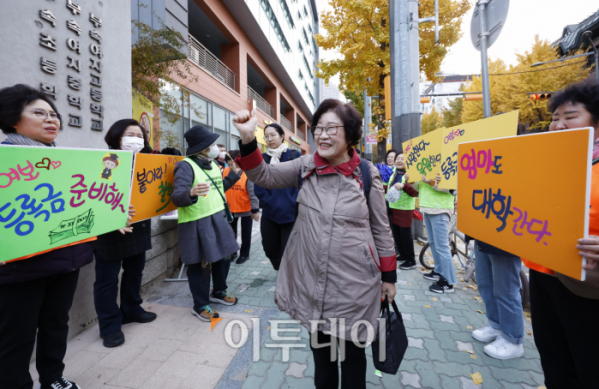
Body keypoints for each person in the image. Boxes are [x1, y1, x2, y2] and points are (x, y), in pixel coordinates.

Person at [233, 99, 397, 389]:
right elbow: (265, 176)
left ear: (350, 134)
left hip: (355, 285)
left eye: (331, 128)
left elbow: (382, 230)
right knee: (322, 358)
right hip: (313, 281)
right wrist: (248, 137)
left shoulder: (367, 175)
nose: (322, 135)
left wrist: (389, 277)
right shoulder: (305, 166)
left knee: (352, 359)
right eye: (318, 128)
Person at [0, 84, 94, 389]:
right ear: (13, 119)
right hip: (20, 267)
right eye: (38, 113)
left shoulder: (68, 161)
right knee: (17, 334)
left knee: (56, 324)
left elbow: (86, 203)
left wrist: (114, 215)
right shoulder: (6, 160)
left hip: (65, 259)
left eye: (53, 114)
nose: (51, 119)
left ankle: (53, 379)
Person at [525, 80, 599, 388]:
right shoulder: (547, 162)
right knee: (555, 362)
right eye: (555, 118)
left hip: (587, 287)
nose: (558, 125)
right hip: (543, 274)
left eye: (570, 116)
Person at [92, 119, 157, 349]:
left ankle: (131, 309)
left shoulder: (146, 162)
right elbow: (95, 194)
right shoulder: (107, 162)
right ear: (117, 137)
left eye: (140, 135)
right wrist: (112, 214)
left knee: (134, 272)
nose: (137, 139)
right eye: (131, 134)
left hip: (138, 225)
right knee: (107, 280)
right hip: (110, 230)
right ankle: (109, 325)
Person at [172, 125, 240, 321]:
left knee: (224, 257)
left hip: (217, 217)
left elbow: (217, 189)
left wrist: (233, 175)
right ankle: (200, 304)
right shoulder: (185, 166)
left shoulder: (212, 165)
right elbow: (177, 196)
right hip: (197, 221)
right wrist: (191, 192)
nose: (216, 147)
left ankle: (219, 291)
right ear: (201, 148)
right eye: (211, 144)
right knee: (201, 263)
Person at [253, 123, 302, 271]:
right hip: (270, 212)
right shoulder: (262, 159)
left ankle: (287, 275)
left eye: (273, 135)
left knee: (291, 248)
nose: (269, 139)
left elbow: (301, 182)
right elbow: (258, 184)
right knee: (270, 248)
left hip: (291, 212)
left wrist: (293, 202)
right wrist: (268, 202)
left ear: (282, 136)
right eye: (266, 136)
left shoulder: (294, 156)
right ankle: (279, 269)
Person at [471, 242, 524, 359]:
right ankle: (496, 325)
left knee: (506, 289)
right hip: (483, 231)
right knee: (485, 282)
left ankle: (513, 339)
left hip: (506, 236)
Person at [420, 172, 457, 293]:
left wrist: (432, 182)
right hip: (427, 207)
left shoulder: (448, 161)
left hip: (440, 209)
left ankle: (448, 281)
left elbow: (452, 187)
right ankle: (438, 271)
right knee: (433, 243)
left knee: (442, 246)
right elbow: (418, 188)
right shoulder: (424, 164)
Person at [224, 150, 260, 264]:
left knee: (246, 234)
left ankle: (244, 254)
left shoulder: (247, 174)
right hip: (230, 209)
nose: (230, 167)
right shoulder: (224, 172)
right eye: (228, 164)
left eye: (232, 164)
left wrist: (255, 211)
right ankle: (233, 252)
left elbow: (253, 194)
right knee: (230, 233)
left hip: (245, 209)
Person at [388, 153, 419, 270]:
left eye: (402, 159)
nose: (399, 161)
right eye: (398, 159)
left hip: (405, 209)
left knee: (405, 236)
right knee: (397, 234)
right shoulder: (394, 173)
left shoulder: (410, 175)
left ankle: (411, 260)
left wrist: (404, 185)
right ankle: (403, 254)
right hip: (393, 207)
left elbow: (414, 192)